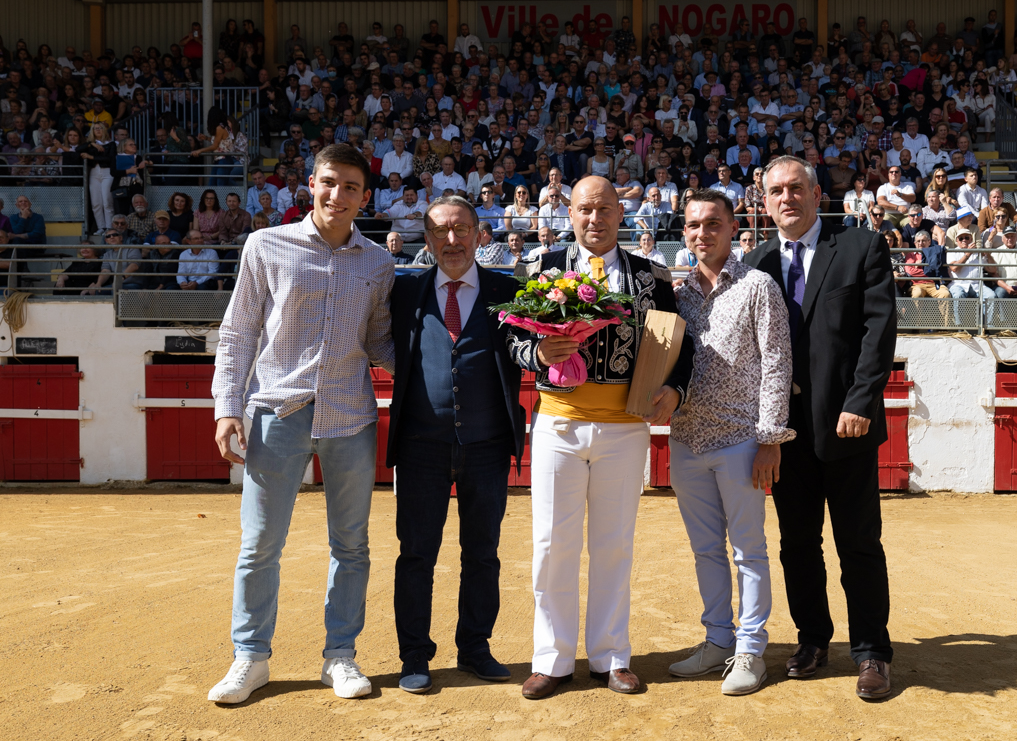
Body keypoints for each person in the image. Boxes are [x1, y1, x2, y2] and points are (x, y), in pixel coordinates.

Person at [208, 144, 395, 705]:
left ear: (365, 197)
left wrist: (448, 357)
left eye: (351, 187)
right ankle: (250, 656)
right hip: (276, 412)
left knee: (352, 546)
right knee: (259, 544)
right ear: (310, 184)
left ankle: (340, 656)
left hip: (350, 417)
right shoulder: (266, 245)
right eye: (329, 183)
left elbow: (380, 340)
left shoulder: (379, 262)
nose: (338, 196)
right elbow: (238, 332)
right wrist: (226, 407)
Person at [513, 176, 693, 700]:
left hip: (624, 428)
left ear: (622, 214)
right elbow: (512, 338)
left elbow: (680, 343)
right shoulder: (542, 269)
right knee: (551, 545)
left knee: (613, 545)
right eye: (585, 210)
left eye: (605, 210)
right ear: (569, 213)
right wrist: (536, 355)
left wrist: (675, 391)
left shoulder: (651, 276)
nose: (595, 219)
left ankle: (612, 657)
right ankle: (552, 658)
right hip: (558, 422)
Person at [743, 155, 897, 700]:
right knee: (797, 544)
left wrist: (860, 401)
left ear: (815, 194)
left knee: (858, 542)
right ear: (764, 203)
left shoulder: (859, 246)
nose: (786, 198)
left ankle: (872, 650)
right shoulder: (757, 262)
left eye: (795, 188)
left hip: (847, 425)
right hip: (785, 432)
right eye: (775, 191)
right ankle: (812, 639)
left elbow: (878, 333)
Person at [386, 195, 530, 693]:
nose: (451, 240)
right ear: (426, 239)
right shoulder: (404, 291)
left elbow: (526, 349)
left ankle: (474, 648)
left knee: (482, 553)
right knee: (416, 555)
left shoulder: (509, 289)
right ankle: (414, 656)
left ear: (479, 234)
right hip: (420, 445)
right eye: (440, 231)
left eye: (461, 229)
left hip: (487, 445)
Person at [666, 189, 793, 696]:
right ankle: (717, 639)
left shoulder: (759, 286)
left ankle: (750, 650)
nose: (703, 233)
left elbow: (778, 363)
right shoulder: (678, 296)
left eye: (713, 223)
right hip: (687, 440)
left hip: (742, 440)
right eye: (694, 225)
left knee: (748, 551)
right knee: (705, 551)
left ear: (733, 227)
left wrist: (769, 438)